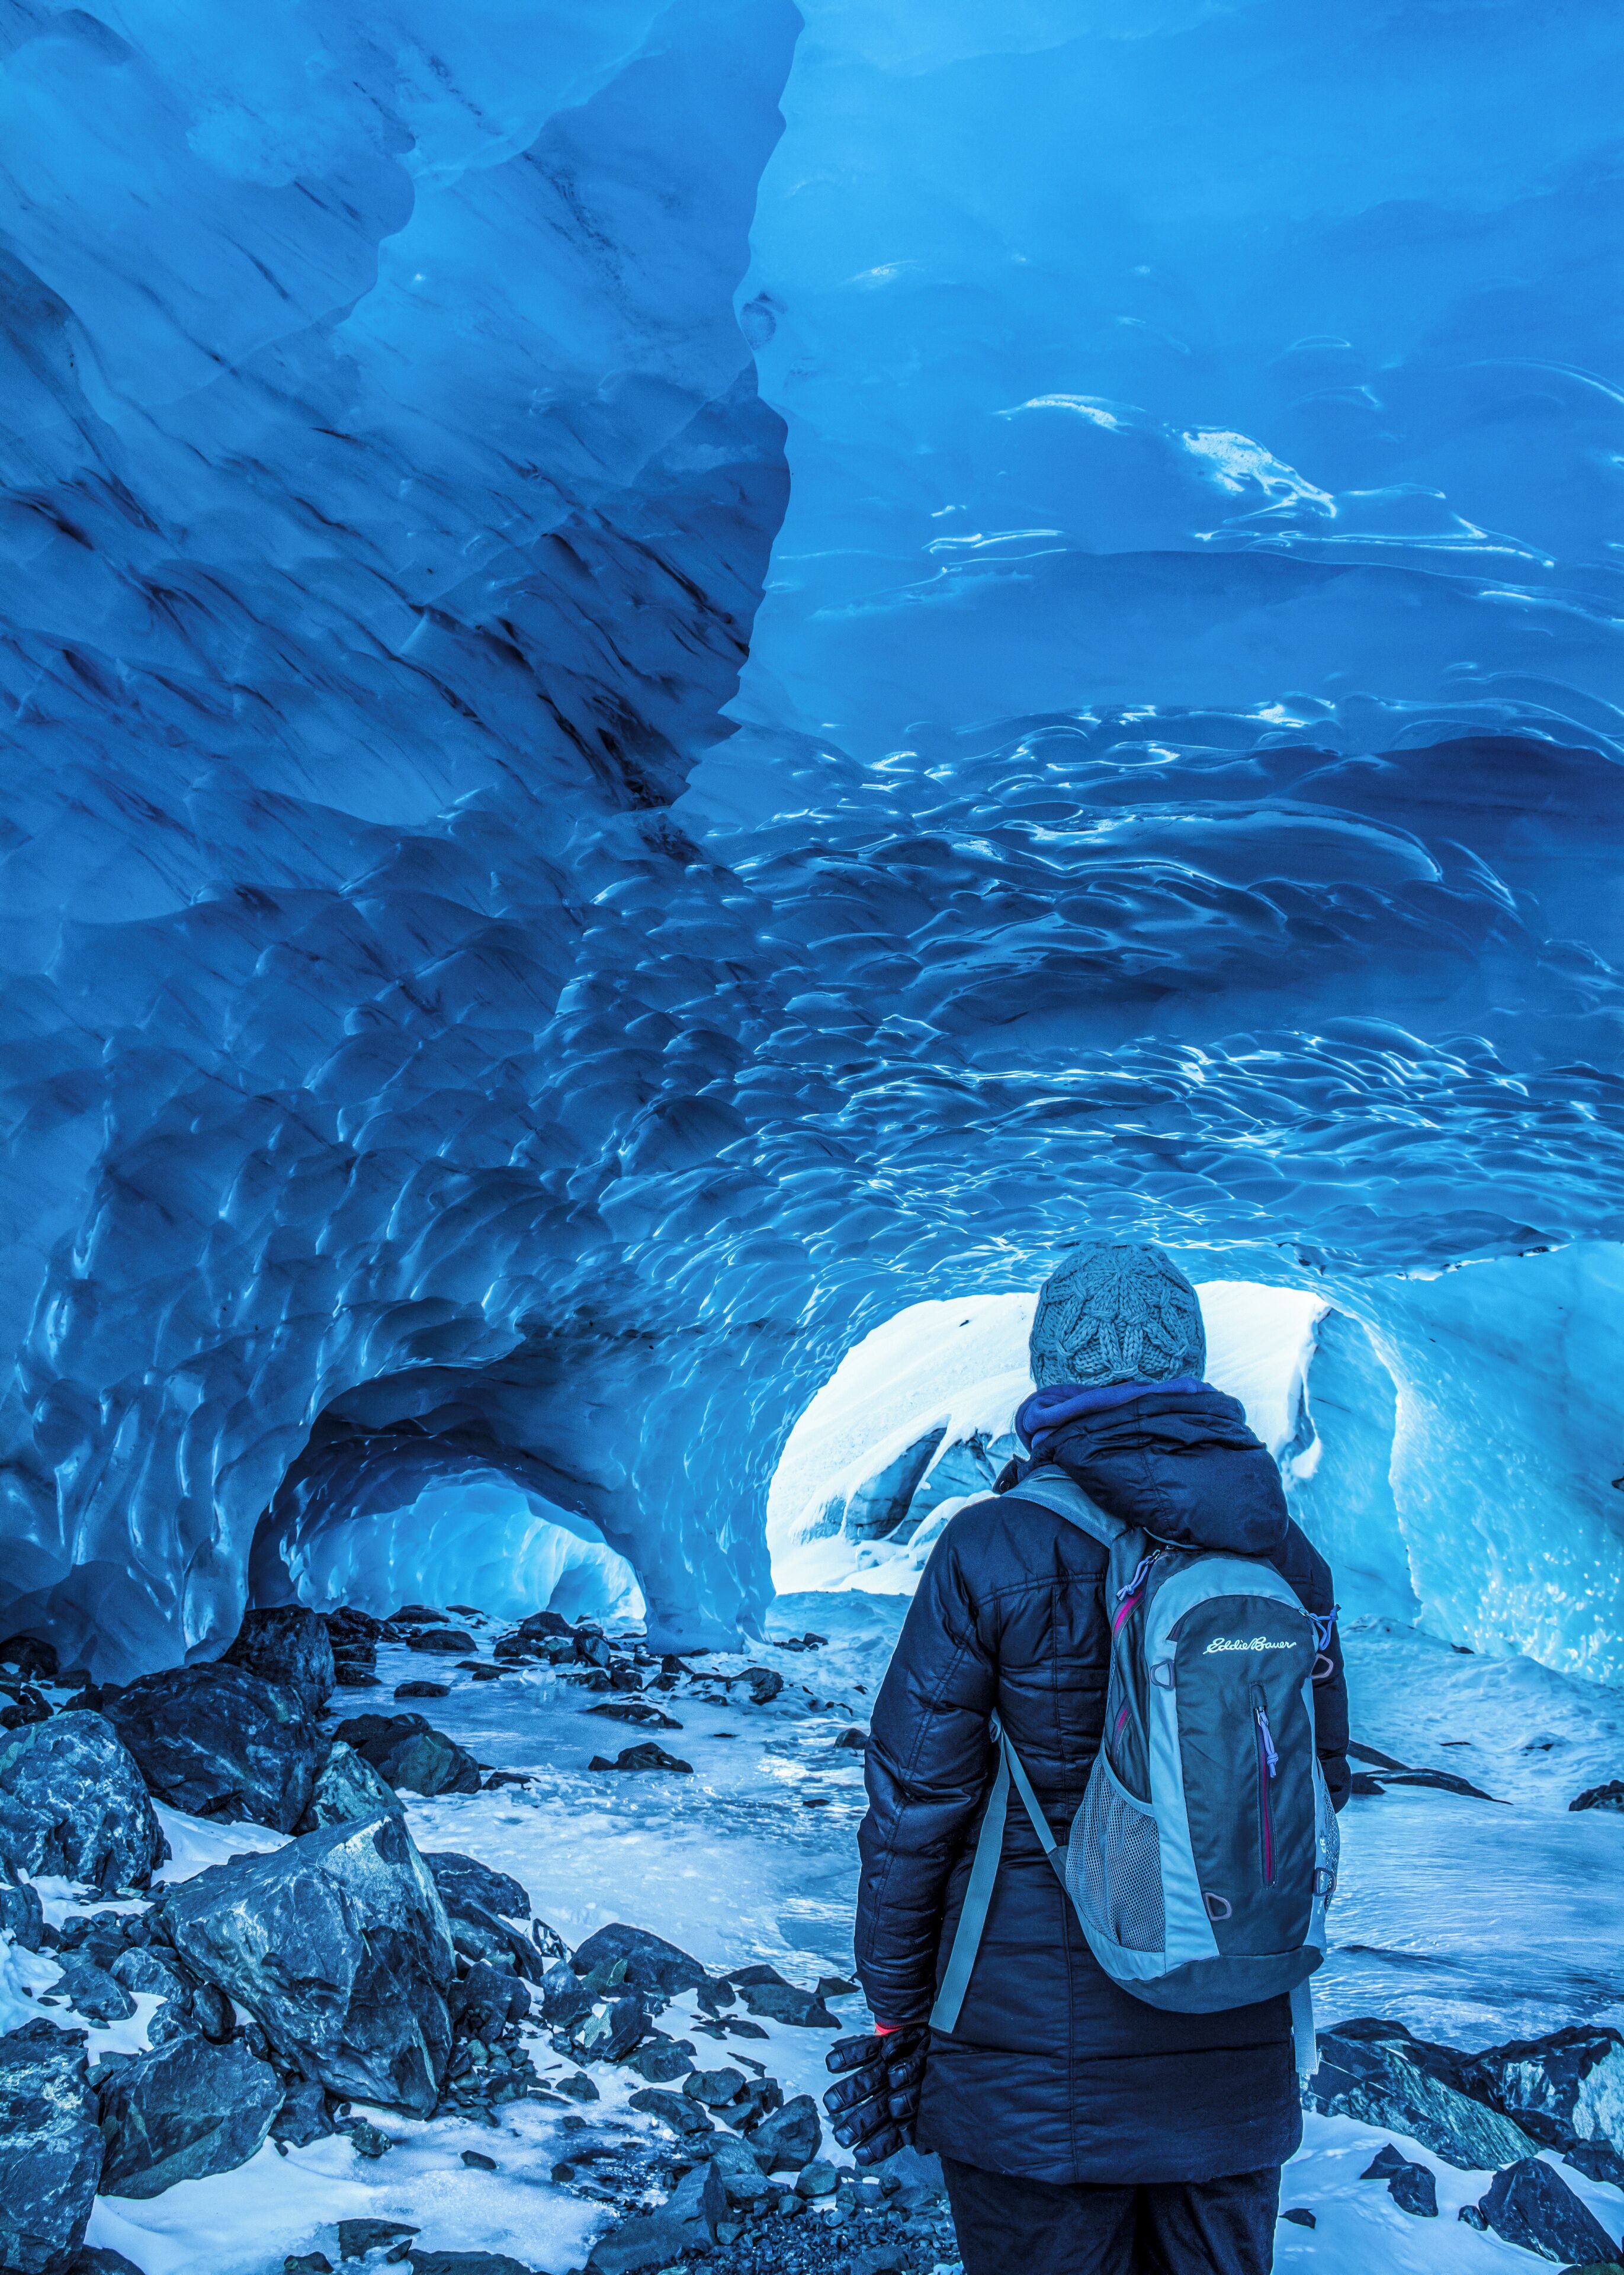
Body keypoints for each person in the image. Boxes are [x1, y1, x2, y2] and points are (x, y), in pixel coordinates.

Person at [827, 1242, 1350, 2275]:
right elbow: (1315, 1792)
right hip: (1233, 2040)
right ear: (1190, 1364)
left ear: (1052, 1371)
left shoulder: (994, 1546)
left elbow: (912, 1807)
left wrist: (893, 2008)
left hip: (1029, 2073)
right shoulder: (1280, 1556)